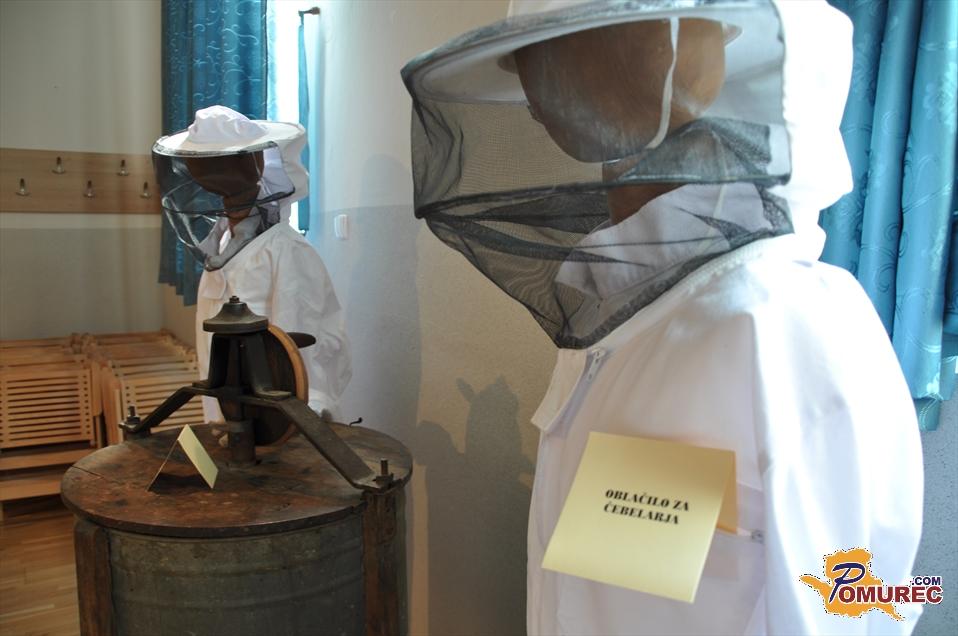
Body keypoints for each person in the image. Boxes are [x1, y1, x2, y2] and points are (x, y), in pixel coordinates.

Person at [402, 1, 923, 634]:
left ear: (668, 50)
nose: (530, 84)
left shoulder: (784, 328)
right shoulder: (616, 315)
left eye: (555, 49)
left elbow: (857, 608)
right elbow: (606, 588)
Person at [153, 105, 351, 422]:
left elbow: (299, 350)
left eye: (217, 163)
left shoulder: (285, 249)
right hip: (228, 409)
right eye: (201, 163)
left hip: (278, 422)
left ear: (255, 163)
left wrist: (299, 422)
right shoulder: (220, 245)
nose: (208, 173)